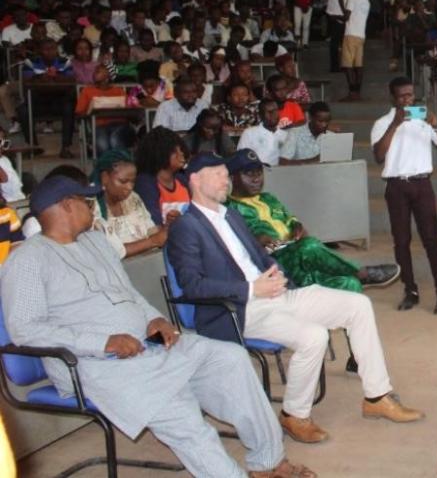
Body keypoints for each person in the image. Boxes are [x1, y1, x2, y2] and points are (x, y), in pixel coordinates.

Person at [0, 175, 314, 478]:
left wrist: (155, 317)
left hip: (147, 344)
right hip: (95, 364)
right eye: (85, 201)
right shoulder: (27, 259)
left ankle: (268, 462)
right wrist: (102, 342)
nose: (92, 206)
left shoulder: (96, 242)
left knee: (231, 359)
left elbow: (130, 295)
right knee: (182, 415)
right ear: (66, 205)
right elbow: (26, 330)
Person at [168, 153, 423, 445]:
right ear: (195, 180)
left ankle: (377, 396)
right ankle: (294, 416)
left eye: (227, 173)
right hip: (238, 310)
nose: (226, 179)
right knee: (314, 336)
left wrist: (277, 272)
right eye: (218, 174)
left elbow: (260, 256)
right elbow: (192, 286)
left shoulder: (232, 215)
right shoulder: (186, 227)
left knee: (358, 305)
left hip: (277, 294)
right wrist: (252, 289)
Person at [226, 148, 399, 295]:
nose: (256, 178)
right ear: (232, 178)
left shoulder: (268, 198)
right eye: (248, 174)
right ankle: (362, 273)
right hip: (274, 262)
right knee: (310, 246)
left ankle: (338, 329)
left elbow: (289, 218)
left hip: (296, 255)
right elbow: (242, 243)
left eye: (259, 172)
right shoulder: (229, 208)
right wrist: (261, 240)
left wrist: (297, 226)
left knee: (349, 284)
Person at [371, 77, 437, 314]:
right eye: (402, 96)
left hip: (422, 185)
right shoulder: (382, 123)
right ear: (393, 98)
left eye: (411, 95)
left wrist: (436, 125)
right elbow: (378, 155)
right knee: (402, 241)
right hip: (396, 187)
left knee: (432, 239)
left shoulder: (423, 119)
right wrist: (395, 125)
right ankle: (410, 290)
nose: (408, 100)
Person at [92, 149, 169, 259]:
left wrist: (165, 230)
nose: (129, 187)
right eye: (123, 181)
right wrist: (153, 241)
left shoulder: (133, 198)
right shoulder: (91, 207)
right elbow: (110, 252)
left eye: (133, 181)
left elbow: (150, 229)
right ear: (105, 177)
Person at [134, 127, 190, 226]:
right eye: (175, 151)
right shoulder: (145, 183)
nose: (181, 154)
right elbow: (152, 224)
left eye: (181, 150)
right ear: (160, 153)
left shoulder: (182, 180)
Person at [339, 0, 369, 101]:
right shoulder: (366, 0)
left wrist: (334, 17)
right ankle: (358, 93)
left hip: (350, 34)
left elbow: (347, 16)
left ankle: (352, 93)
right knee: (359, 66)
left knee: (348, 65)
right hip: (361, 35)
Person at [238, 99, 291, 167]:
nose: (274, 114)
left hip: (280, 174)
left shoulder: (286, 135)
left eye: (276, 111)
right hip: (257, 174)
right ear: (261, 115)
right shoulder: (249, 133)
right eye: (270, 112)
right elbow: (241, 158)